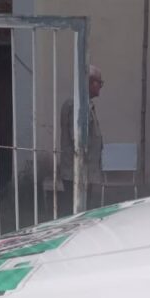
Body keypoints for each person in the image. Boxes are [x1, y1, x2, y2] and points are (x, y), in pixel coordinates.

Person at [59, 66, 104, 213]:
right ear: (90, 82)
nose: (101, 86)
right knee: (76, 213)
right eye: (99, 82)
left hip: (84, 171)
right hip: (76, 171)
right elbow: (77, 140)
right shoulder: (76, 105)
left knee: (82, 211)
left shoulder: (86, 104)